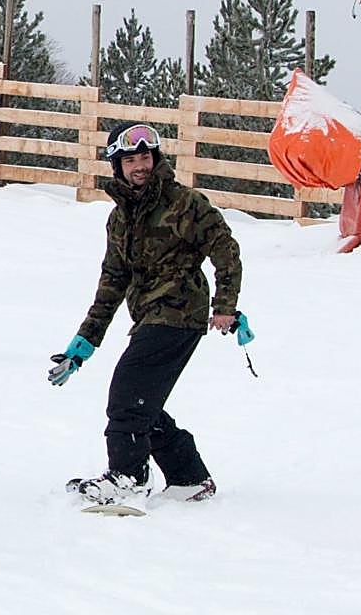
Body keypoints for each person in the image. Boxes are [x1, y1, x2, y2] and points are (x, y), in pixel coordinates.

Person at [49, 122, 242, 505]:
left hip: (180, 313)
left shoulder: (185, 203)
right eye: (131, 160)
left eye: (145, 158)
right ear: (116, 166)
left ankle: (128, 477)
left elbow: (226, 250)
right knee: (143, 401)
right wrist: (83, 344)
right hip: (149, 315)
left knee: (127, 393)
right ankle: (189, 477)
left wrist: (225, 307)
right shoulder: (120, 218)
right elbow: (112, 284)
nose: (140, 166)